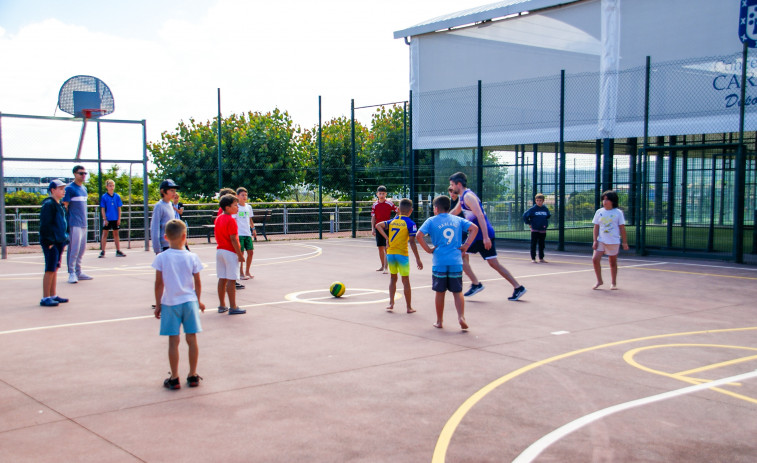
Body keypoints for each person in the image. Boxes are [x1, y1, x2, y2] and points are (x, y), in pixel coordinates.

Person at [449, 172, 526, 301]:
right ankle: (478, 284)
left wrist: (486, 237)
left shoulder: (469, 197)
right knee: (462, 255)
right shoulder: (463, 197)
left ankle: (479, 284)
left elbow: (480, 216)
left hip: (481, 235)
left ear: (459, 184)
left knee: (492, 263)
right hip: (476, 235)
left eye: (452, 185)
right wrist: (439, 219)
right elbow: (455, 212)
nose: (451, 187)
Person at [152, 219, 206, 389]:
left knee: (173, 341)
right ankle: (193, 374)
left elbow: (159, 283)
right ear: (185, 236)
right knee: (192, 339)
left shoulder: (162, 257)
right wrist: (198, 299)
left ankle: (174, 377)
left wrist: (158, 303)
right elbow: (197, 281)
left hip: (170, 303)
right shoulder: (192, 257)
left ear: (166, 237)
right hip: (189, 302)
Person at [416, 195, 478, 330]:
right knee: (457, 291)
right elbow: (474, 228)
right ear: (448, 207)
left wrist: (428, 249)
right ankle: (461, 317)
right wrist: (466, 245)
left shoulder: (431, 221)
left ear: (436, 208)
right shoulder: (457, 219)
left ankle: (439, 321)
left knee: (440, 292)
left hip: (439, 261)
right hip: (456, 261)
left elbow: (418, 235)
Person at [375, 198, 423, 313]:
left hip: (391, 254)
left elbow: (378, 225)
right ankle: (409, 307)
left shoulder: (392, 221)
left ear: (398, 209)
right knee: (405, 280)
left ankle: (391, 303)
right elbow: (412, 242)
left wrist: (387, 239)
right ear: (411, 211)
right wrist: (418, 258)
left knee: (393, 278)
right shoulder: (410, 223)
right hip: (402, 254)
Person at [39, 179, 69, 307]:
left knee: (55, 268)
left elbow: (63, 223)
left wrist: (64, 238)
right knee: (50, 268)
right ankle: (45, 297)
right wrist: (49, 241)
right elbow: (45, 225)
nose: (63, 191)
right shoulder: (49, 205)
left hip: (59, 240)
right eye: (61, 189)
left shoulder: (60, 205)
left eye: (64, 189)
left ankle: (53, 295)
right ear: (53, 190)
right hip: (51, 241)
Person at [215, 194, 246, 315]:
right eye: (235, 205)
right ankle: (233, 306)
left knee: (222, 278)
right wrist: (239, 254)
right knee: (231, 280)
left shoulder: (218, 219)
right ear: (227, 207)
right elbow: (233, 239)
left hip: (220, 251)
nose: (237, 207)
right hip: (229, 251)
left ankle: (222, 305)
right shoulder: (231, 220)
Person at [592, 190, 629, 290]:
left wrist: (624, 242)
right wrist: (595, 240)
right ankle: (599, 281)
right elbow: (596, 227)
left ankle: (613, 283)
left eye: (607, 199)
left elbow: (622, 228)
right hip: (601, 240)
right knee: (595, 259)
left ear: (612, 201)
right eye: (603, 199)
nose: (604, 201)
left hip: (613, 241)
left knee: (612, 262)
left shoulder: (618, 213)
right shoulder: (599, 212)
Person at [63, 165, 93, 283]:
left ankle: (78, 271)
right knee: (74, 249)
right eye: (81, 173)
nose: (83, 175)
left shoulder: (84, 189)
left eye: (85, 173)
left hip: (83, 223)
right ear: (75, 174)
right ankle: (71, 272)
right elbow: (65, 206)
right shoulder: (70, 188)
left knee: (82, 249)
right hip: (74, 223)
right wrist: (66, 223)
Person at [370, 186, 397, 273]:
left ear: (386, 194)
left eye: (383, 193)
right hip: (378, 228)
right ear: (377, 194)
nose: (381, 195)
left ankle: (386, 267)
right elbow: (373, 217)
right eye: (380, 193)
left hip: (387, 227)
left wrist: (392, 221)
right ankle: (382, 266)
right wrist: (372, 229)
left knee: (386, 247)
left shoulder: (389, 203)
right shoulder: (375, 205)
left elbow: (398, 211)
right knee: (380, 247)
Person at [151, 179, 179, 255]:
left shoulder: (170, 204)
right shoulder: (159, 206)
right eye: (171, 190)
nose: (174, 193)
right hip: (164, 246)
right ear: (163, 191)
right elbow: (155, 228)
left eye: (174, 190)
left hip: (172, 244)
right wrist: (157, 249)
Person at [99, 179, 126, 258]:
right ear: (107, 187)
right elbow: (103, 208)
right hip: (108, 218)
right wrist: (105, 219)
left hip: (115, 218)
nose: (112, 187)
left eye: (113, 186)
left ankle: (118, 250)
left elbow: (119, 208)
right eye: (110, 186)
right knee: (105, 234)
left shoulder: (117, 196)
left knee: (116, 234)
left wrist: (119, 218)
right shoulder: (104, 197)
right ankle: (103, 251)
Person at [235, 187, 257, 280]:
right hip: (239, 233)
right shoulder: (236, 207)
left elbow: (250, 219)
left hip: (247, 233)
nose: (244, 197)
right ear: (237, 196)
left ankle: (247, 271)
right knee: (241, 253)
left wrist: (253, 228)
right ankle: (241, 272)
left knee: (250, 252)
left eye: (246, 195)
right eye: (242, 195)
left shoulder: (248, 207)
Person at [522, 193, 551, 263]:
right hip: (535, 229)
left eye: (540, 200)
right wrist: (529, 223)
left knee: (542, 244)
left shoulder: (545, 209)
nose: (539, 202)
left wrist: (544, 223)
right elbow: (524, 216)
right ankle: (533, 258)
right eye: (537, 200)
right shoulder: (532, 209)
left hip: (543, 229)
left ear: (543, 201)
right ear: (535, 201)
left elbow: (548, 216)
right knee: (534, 244)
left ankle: (541, 258)